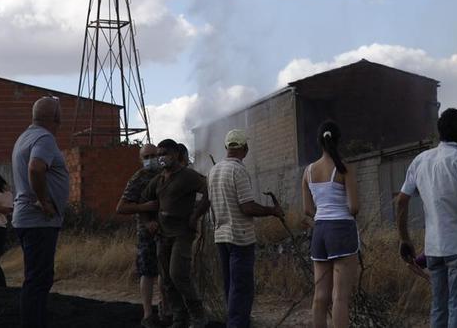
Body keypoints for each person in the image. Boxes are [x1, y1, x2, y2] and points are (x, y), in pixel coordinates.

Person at [396, 108, 457, 328]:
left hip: (433, 249)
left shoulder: (420, 161)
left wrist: (404, 239)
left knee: (439, 307)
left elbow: (401, 201)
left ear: (440, 132)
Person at [207, 128, 285, 328]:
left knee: (230, 285)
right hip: (239, 238)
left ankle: (234, 321)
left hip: (221, 236)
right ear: (245, 148)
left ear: (226, 147)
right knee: (241, 288)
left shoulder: (213, 171)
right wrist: (273, 211)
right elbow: (247, 207)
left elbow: (213, 206)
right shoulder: (238, 170)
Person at [12, 96, 70, 328]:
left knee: (36, 279)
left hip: (28, 220)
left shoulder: (25, 137)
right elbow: (36, 168)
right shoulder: (44, 138)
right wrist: (45, 201)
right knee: (38, 280)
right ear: (55, 116)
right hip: (38, 221)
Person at [301, 121, 361, 328]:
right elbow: (354, 207)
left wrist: (322, 214)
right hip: (342, 231)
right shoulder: (344, 169)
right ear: (338, 141)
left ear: (319, 142)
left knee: (320, 296)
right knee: (340, 297)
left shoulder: (308, 171)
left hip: (320, 233)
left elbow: (308, 210)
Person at [146, 138, 209, 328]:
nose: (161, 158)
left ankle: (198, 315)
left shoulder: (187, 176)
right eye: (158, 155)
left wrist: (196, 215)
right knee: (166, 279)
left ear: (175, 154)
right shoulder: (158, 180)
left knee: (178, 274)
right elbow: (143, 201)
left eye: (164, 154)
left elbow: (208, 190)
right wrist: (148, 220)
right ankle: (179, 318)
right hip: (163, 235)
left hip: (182, 233)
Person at [116, 141, 168, 327]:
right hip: (147, 233)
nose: (151, 160)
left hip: (167, 230)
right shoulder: (138, 178)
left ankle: (164, 310)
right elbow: (121, 207)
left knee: (165, 272)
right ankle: (147, 314)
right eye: (146, 157)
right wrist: (144, 208)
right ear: (141, 160)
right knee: (147, 272)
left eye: (153, 156)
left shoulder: (166, 174)